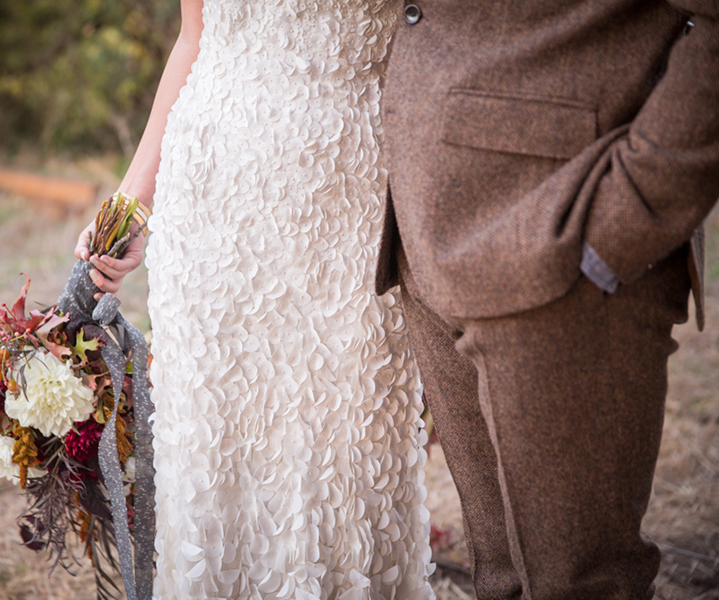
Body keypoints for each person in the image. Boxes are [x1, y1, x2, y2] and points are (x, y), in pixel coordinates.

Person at [75, 1, 435, 598]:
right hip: (213, 192)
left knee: (346, 450)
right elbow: (195, 37)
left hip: (353, 192)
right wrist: (133, 203)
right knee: (217, 444)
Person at [379, 1, 719, 599]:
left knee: (580, 585)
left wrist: (626, 217)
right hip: (424, 242)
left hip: (561, 235)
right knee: (502, 577)